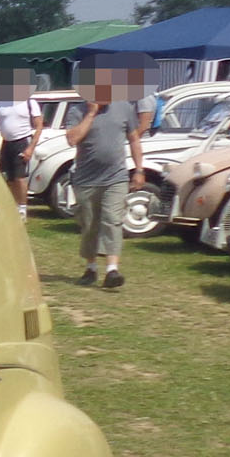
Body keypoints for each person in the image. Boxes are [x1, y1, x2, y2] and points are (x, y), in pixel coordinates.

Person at [65, 54, 148, 289]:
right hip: (86, 179)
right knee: (90, 224)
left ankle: (112, 270)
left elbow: (134, 140)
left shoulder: (124, 108)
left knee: (112, 220)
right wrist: (91, 113)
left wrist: (139, 170)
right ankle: (91, 268)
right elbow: (72, 139)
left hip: (116, 177)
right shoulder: (78, 111)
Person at [0, 62, 43, 211]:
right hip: (6, 143)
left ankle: (22, 208)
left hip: (22, 141)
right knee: (9, 178)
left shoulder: (29, 103)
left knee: (20, 178)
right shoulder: (1, 104)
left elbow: (39, 126)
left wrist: (30, 149)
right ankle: (14, 206)